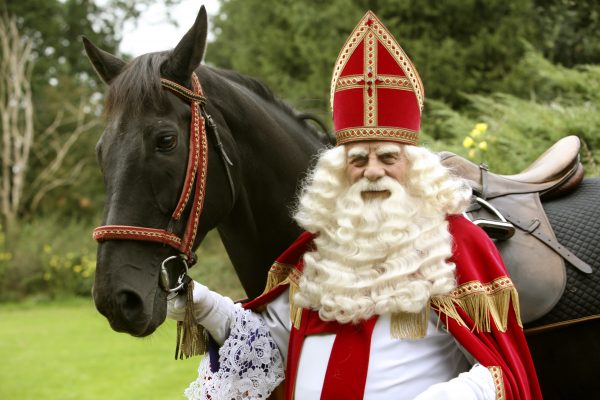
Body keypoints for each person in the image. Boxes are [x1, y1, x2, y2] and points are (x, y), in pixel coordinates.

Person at [168, 10, 542, 400]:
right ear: (340, 172)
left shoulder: (456, 245)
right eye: (358, 161)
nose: (372, 172)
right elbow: (270, 345)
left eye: (387, 158)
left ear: (414, 166)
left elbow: (501, 372)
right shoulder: (319, 251)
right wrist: (204, 304)